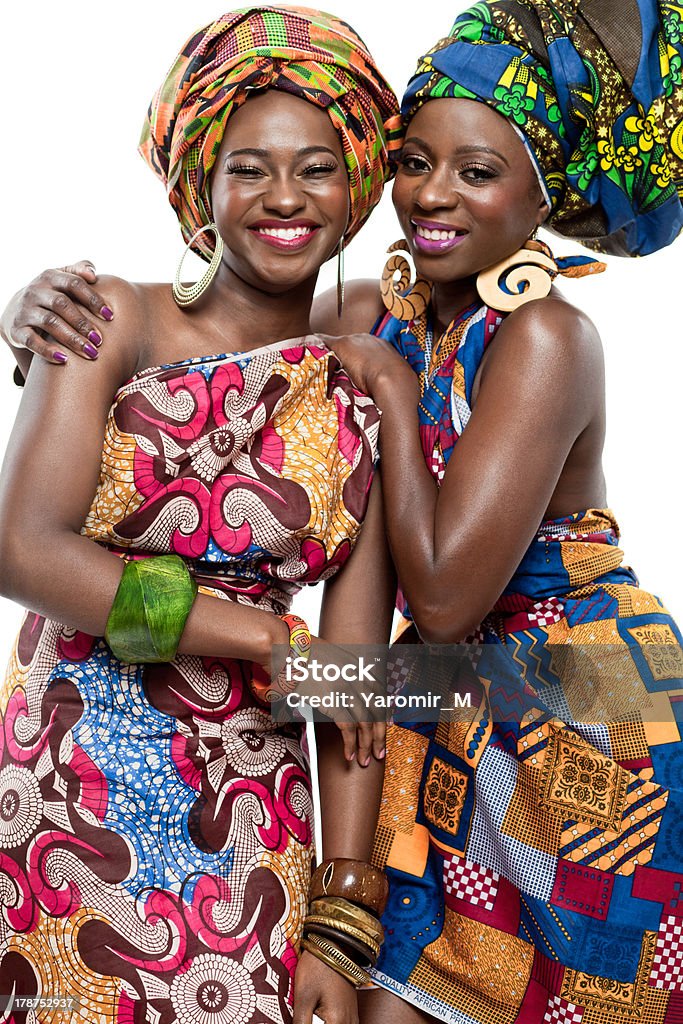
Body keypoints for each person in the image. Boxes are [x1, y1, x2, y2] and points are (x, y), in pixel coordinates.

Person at [5, 1, 683, 1023]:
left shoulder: (470, 339)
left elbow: (419, 620)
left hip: (545, 706)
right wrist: (39, 313)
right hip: (316, 725)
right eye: (415, 161)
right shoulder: (323, 314)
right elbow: (36, 530)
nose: (430, 196)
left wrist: (336, 909)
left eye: (475, 171)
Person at [0, 7, 402, 1024]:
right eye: (247, 169)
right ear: (200, 189)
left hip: (254, 791)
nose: (281, 197)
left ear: (356, 188)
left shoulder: (362, 376)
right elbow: (24, 550)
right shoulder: (112, 316)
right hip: (71, 772)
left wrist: (339, 919)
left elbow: (354, 670)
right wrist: (263, 634)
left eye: (315, 167)